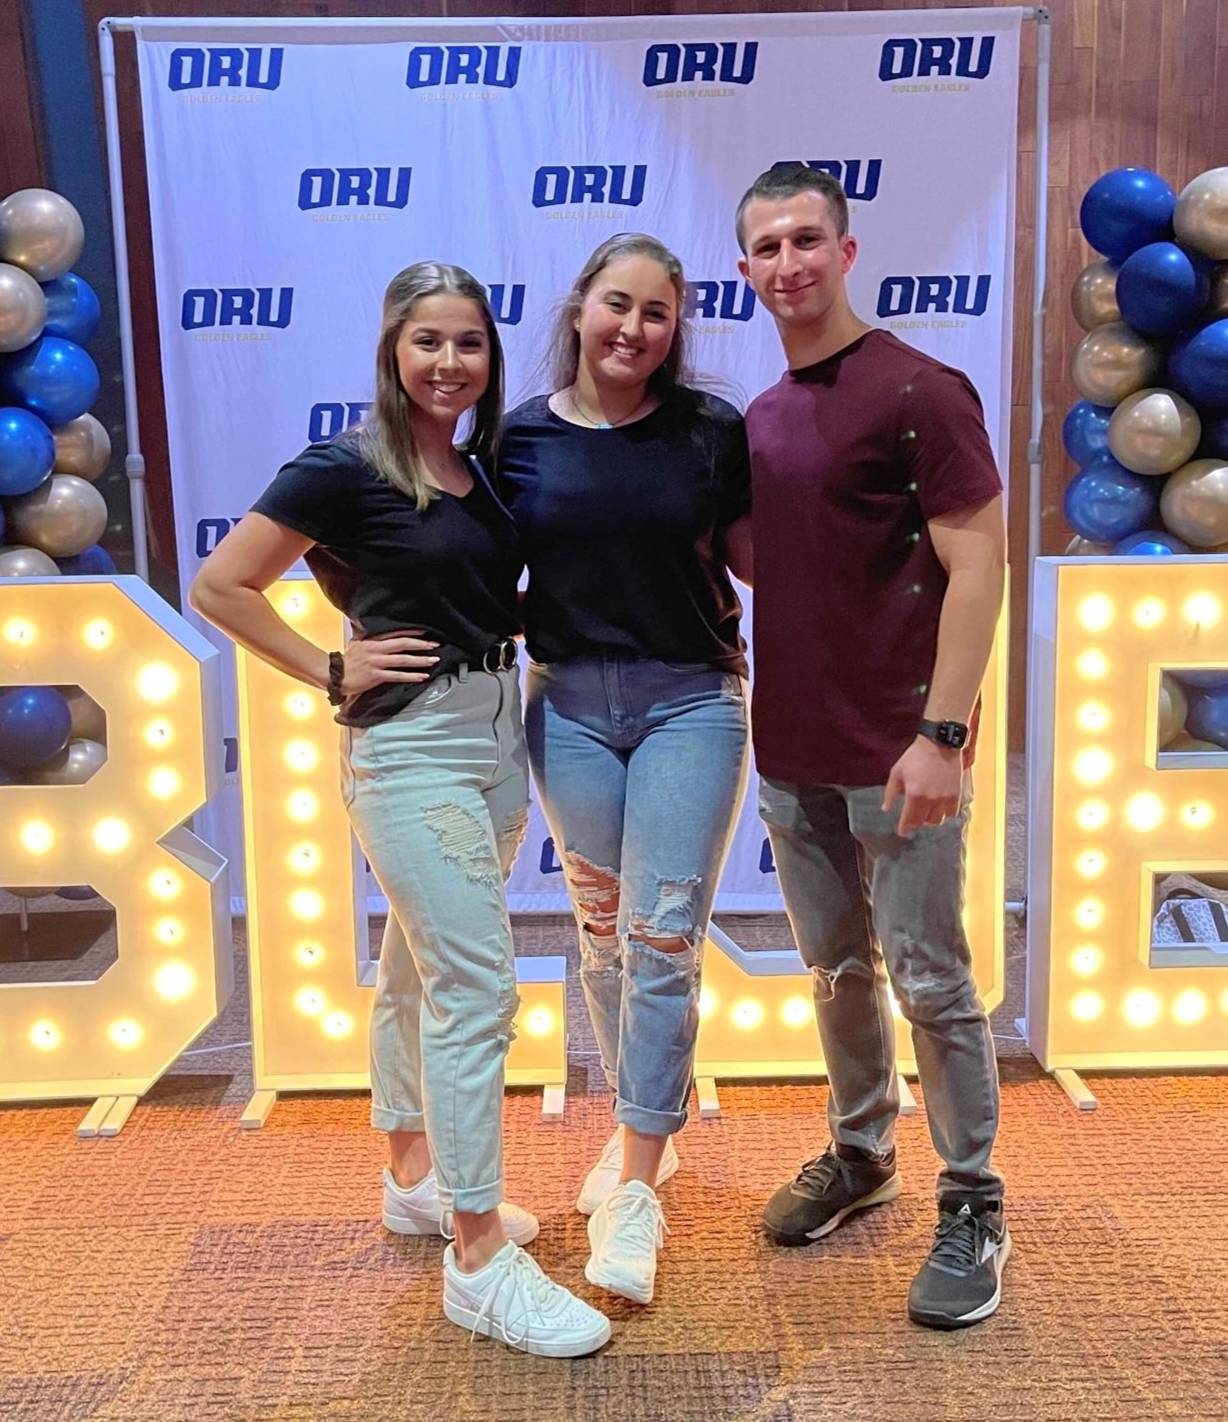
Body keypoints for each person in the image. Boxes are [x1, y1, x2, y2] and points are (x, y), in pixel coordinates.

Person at [190, 261, 610, 1358]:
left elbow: (467, 589)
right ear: (391, 348)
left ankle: (412, 1177)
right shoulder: (343, 466)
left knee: (418, 974)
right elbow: (223, 584)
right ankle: (476, 1259)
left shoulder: (480, 472)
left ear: (488, 356)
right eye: (426, 340)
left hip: (492, 732)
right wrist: (330, 667)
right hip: (409, 746)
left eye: (467, 343)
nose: (447, 362)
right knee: (476, 990)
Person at [734, 166, 1011, 1329]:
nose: (787, 263)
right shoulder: (759, 418)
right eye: (765, 248)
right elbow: (769, 565)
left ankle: (972, 1198)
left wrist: (941, 734)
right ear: (744, 271)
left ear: (846, 253)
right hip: (790, 754)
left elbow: (980, 563)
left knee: (935, 981)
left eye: (806, 239)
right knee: (838, 973)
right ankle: (861, 1153)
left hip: (901, 753)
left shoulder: (919, 389)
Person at [499, 233, 753, 1306]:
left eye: (657, 313)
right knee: (601, 934)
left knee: (662, 934)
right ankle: (637, 1123)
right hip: (566, 704)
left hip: (690, 700)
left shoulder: (710, 432)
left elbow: (762, 557)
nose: (633, 330)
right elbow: (458, 561)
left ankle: (638, 1179)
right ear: (578, 308)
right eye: (617, 305)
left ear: (675, 326)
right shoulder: (513, 440)